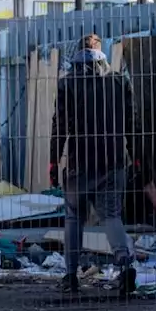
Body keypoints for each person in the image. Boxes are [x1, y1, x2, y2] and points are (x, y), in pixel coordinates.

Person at [48, 34, 138, 295]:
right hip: (113, 161)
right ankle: (125, 265)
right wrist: (136, 154)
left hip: (80, 163)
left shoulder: (68, 84)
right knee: (111, 215)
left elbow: (59, 126)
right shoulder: (119, 81)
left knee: (74, 217)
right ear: (103, 55)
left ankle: (71, 275)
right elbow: (132, 122)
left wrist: (54, 161)